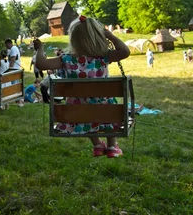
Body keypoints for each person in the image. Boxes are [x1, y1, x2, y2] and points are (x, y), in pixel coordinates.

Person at [34, 15, 130, 158]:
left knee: (82, 108)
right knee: (108, 107)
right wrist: (110, 36)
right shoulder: (103, 57)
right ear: (98, 37)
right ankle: (111, 146)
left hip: (77, 113)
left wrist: (39, 49)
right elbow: (125, 52)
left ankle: (97, 144)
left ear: (72, 40)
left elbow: (41, 64)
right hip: (106, 111)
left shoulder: (66, 59)